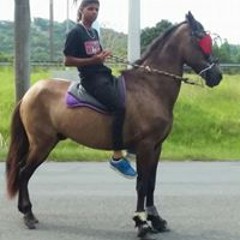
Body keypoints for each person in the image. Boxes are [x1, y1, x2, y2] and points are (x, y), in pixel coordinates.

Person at [63, 0, 136, 178]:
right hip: (91, 80)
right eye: (90, 9)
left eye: (97, 9)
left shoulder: (93, 32)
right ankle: (117, 157)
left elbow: (96, 56)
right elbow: (68, 60)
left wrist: (102, 56)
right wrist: (93, 61)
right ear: (81, 10)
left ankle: (132, 144)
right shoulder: (76, 32)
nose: (94, 12)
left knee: (129, 99)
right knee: (119, 107)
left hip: (104, 74)